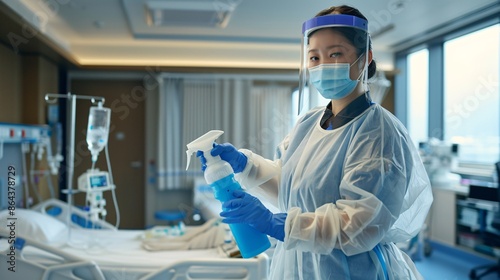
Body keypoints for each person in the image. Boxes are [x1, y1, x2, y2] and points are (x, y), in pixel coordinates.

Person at [198, 5, 433, 279]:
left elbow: (359, 225)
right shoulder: (308, 123)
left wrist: (276, 224)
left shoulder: (378, 133)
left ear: (365, 57)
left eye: (335, 54)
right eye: (314, 57)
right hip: (299, 267)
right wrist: (245, 165)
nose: (323, 65)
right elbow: (293, 188)